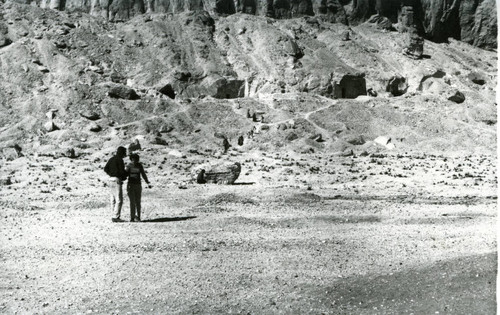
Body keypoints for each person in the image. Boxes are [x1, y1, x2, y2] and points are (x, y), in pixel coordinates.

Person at [104, 146, 128, 222]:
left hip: (110, 179)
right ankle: (116, 216)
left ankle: (113, 215)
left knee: (113, 199)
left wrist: (111, 173)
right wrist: (125, 176)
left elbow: (105, 169)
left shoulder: (111, 159)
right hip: (117, 179)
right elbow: (121, 171)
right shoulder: (120, 160)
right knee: (119, 199)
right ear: (122, 153)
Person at [125, 153, 151, 222]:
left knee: (138, 201)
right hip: (131, 185)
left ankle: (138, 216)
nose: (134, 161)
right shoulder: (129, 166)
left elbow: (143, 174)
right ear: (131, 159)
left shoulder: (139, 165)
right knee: (132, 202)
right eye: (133, 159)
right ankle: (132, 217)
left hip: (138, 185)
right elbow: (125, 174)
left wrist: (147, 181)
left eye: (136, 159)